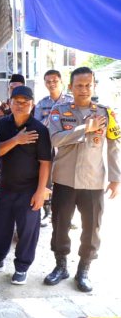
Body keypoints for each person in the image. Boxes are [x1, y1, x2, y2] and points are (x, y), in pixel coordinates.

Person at [44, 67, 120, 292]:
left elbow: (114, 146)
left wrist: (116, 178)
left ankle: (83, 270)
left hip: (93, 181)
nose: (84, 89)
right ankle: (61, 266)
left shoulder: (106, 113)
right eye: (79, 85)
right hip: (64, 180)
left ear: (94, 86)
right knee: (60, 226)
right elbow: (56, 140)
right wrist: (84, 129)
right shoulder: (59, 111)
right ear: (70, 87)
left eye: (88, 85)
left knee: (92, 228)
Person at [0, 86, 52, 285]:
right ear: (10, 102)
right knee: (0, 226)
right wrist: (16, 140)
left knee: (28, 230)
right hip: (6, 185)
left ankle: (22, 267)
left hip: (30, 189)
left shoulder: (39, 129)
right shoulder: (1, 125)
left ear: (32, 105)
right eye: (17, 101)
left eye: (25, 102)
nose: (21, 105)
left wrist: (41, 191)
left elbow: (45, 163)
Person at [34, 69, 74, 226]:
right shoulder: (41, 104)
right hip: (47, 146)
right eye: (48, 81)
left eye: (55, 81)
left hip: (67, 147)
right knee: (47, 180)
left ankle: (67, 217)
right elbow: (36, 126)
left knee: (67, 182)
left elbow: (74, 124)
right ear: (45, 83)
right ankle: (47, 213)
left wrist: (52, 121)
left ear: (61, 82)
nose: (51, 84)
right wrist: (52, 120)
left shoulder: (71, 101)